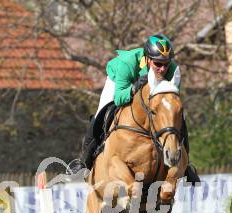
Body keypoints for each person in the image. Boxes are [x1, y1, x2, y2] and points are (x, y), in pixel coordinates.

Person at [67, 33, 200, 185]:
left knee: (177, 116)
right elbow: (119, 98)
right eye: (157, 63)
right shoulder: (127, 63)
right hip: (120, 83)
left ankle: (186, 163)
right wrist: (135, 88)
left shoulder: (173, 70)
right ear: (147, 58)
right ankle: (84, 161)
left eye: (166, 63)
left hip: (150, 93)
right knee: (102, 111)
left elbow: (170, 101)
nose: (162, 69)